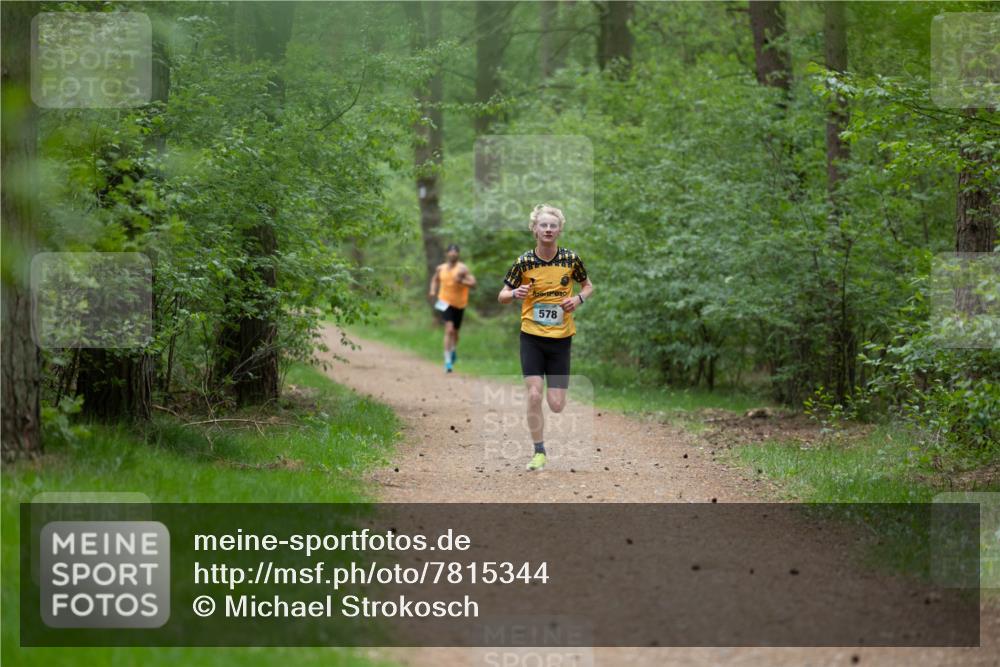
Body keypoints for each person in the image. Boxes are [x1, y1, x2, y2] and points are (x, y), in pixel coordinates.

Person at [497, 205, 593, 471]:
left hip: (562, 339)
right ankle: (539, 451)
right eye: (543, 225)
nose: (548, 229)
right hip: (532, 336)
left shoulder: (571, 259)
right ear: (534, 230)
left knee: (557, 405)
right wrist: (514, 294)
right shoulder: (524, 262)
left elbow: (588, 285)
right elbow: (502, 295)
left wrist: (578, 298)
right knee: (534, 394)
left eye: (553, 225)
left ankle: (553, 406)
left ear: (559, 229)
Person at [429, 243, 477, 373]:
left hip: (460, 304)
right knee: (449, 329)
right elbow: (435, 280)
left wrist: (462, 281)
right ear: (447, 254)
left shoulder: (462, 269)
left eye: (455, 253)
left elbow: (473, 283)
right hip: (444, 302)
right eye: (451, 252)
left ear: (458, 255)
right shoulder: (440, 268)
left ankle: (453, 349)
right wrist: (433, 291)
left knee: (455, 332)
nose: (453, 254)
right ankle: (447, 361)